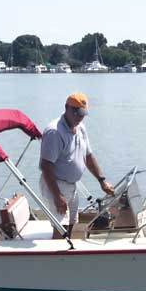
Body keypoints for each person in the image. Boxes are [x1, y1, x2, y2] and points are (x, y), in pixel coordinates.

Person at [39, 92, 115, 238]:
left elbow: (88, 155)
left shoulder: (80, 127)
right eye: (76, 113)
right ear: (66, 107)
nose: (79, 117)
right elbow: (45, 167)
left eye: (82, 114)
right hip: (56, 184)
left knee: (72, 222)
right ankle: (57, 256)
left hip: (72, 186)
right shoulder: (54, 132)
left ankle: (67, 252)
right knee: (61, 227)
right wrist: (57, 195)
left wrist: (102, 180)